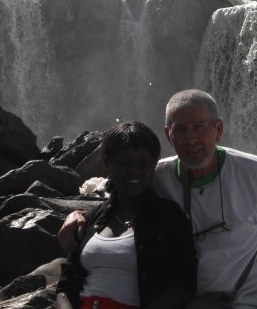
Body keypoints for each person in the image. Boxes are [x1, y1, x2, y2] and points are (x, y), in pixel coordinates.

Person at [59, 90, 257, 309]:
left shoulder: (255, 173)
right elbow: (116, 194)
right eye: (180, 130)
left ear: (218, 129)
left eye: (199, 126)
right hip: (195, 301)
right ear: (168, 135)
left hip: (252, 298)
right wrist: (77, 214)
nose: (190, 138)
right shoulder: (157, 176)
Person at [56, 121, 197, 309]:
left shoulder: (169, 217)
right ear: (107, 163)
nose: (135, 170)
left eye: (143, 163)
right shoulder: (91, 218)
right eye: (125, 162)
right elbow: (65, 285)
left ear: (154, 164)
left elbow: (183, 286)